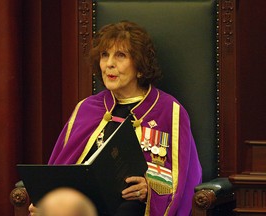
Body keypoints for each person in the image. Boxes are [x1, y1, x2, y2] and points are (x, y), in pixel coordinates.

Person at [29, 20, 202, 216]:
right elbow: (60, 169)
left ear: (141, 67)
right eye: (105, 55)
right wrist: (47, 201)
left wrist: (148, 189)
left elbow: (183, 179)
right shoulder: (86, 108)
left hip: (132, 207)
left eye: (120, 55)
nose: (109, 63)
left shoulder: (168, 110)